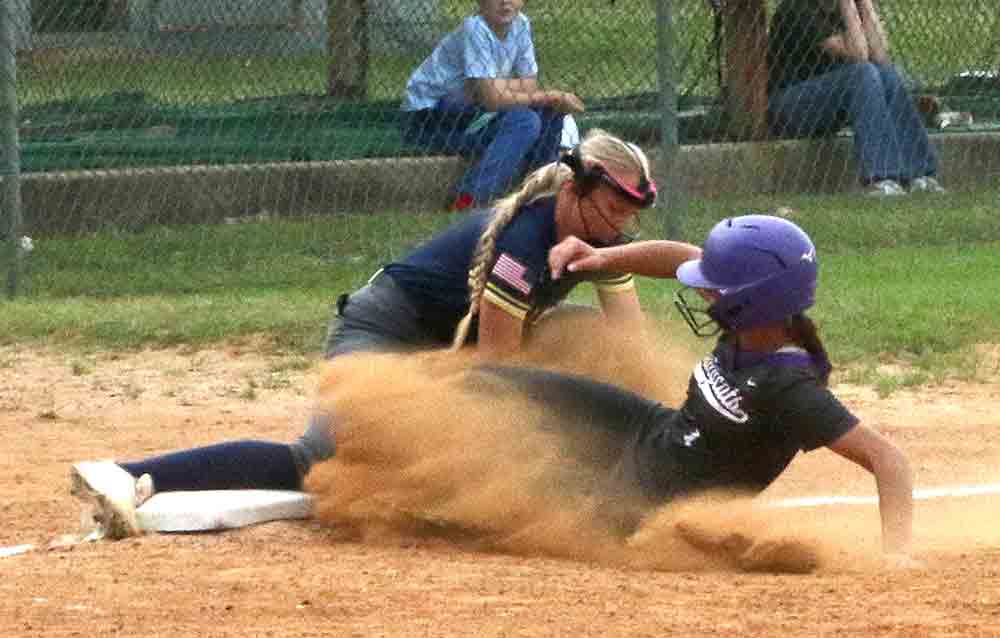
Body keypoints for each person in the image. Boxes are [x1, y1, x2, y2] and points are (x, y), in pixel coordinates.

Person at [70, 130, 701, 539]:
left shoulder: (600, 242)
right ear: (574, 190)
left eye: (629, 215)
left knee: (588, 340)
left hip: (447, 344)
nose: (619, 226)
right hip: (387, 328)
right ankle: (127, 474)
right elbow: (500, 371)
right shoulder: (522, 244)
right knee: (317, 459)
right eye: (612, 208)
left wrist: (656, 438)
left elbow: (627, 347)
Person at [533, 213, 916, 561]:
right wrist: (603, 258)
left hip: (649, 499)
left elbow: (889, 461)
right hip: (649, 428)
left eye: (714, 288)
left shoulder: (788, 386)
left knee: (519, 502)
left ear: (750, 301)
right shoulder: (757, 323)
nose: (704, 292)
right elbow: (678, 258)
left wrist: (896, 557)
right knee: (507, 391)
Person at [399, 0, 585, 210]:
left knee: (549, 112)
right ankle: (469, 197)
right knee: (525, 121)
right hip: (431, 120)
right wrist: (549, 95)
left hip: (472, 112)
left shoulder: (521, 24)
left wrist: (489, 87)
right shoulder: (475, 28)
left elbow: (529, 84)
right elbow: (493, 100)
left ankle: (541, 192)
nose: (505, 1)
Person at [767, 0, 944, 196]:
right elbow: (859, 54)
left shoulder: (843, 10)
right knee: (862, 74)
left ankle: (921, 175)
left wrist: (865, 5)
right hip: (790, 108)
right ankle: (882, 177)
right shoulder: (797, 8)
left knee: (887, 74)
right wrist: (848, 4)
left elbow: (880, 55)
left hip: (831, 103)